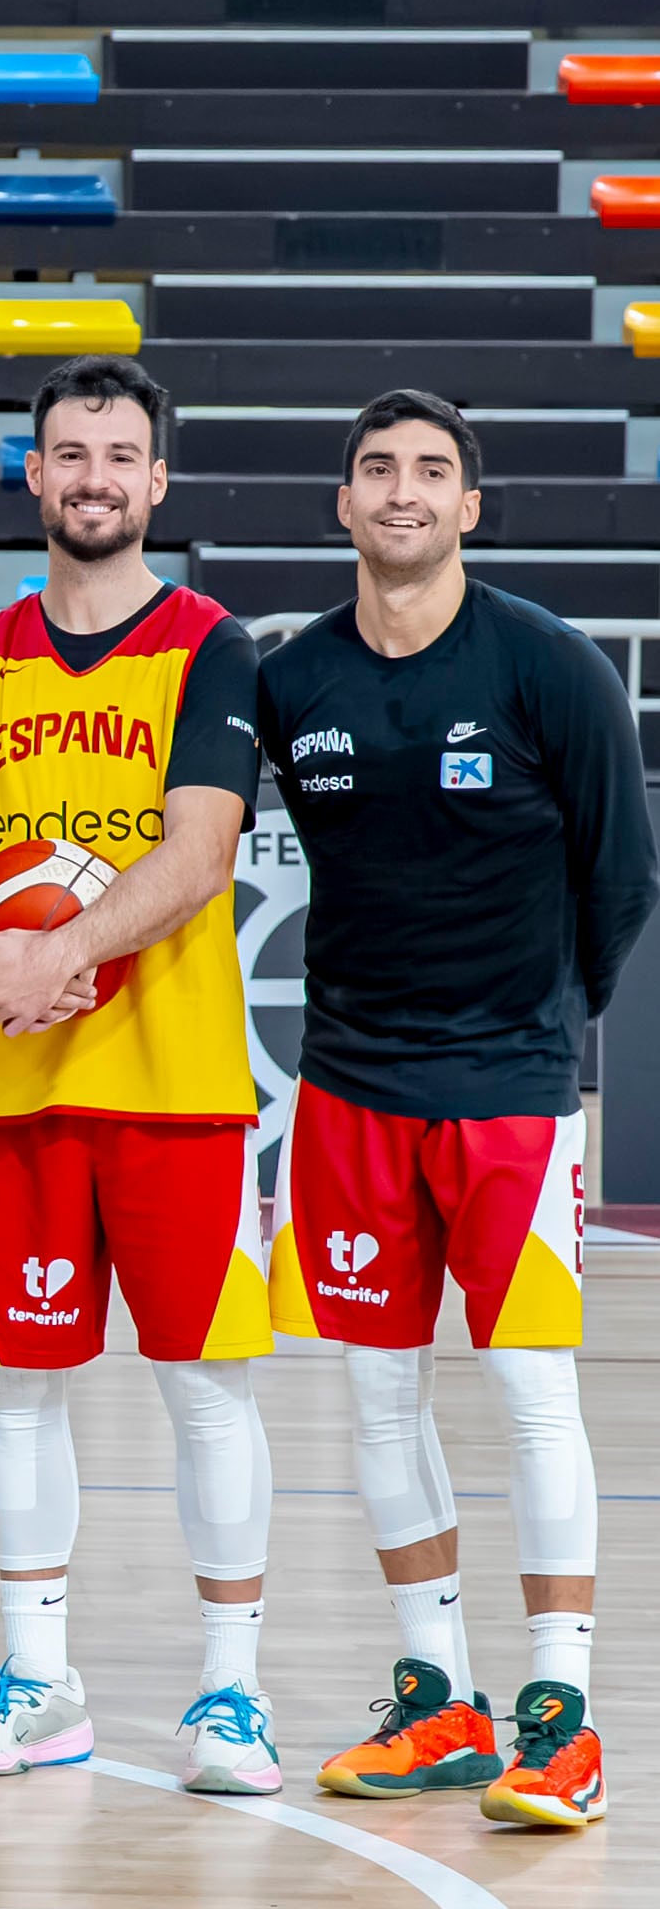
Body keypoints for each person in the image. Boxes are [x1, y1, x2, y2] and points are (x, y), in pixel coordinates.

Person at [260, 392, 655, 1826]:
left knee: (527, 1387)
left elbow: (619, 879)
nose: (401, 490)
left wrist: (538, 1024)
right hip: (352, 1088)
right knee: (375, 1394)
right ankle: (438, 1700)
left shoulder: (549, 669)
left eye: (430, 471)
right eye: (375, 467)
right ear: (343, 501)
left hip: (507, 1093)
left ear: (469, 507)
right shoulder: (292, 679)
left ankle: (560, 1712)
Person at [0, 358, 281, 1796]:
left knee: (204, 1387)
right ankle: (39, 1680)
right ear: (35, 475)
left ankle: (229, 1695)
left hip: (173, 1078)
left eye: (120, 453)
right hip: (4, 1080)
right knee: (16, 1389)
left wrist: (59, 956)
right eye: (69, 453)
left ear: (156, 480)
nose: (94, 476)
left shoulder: (210, 647)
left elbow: (197, 852)